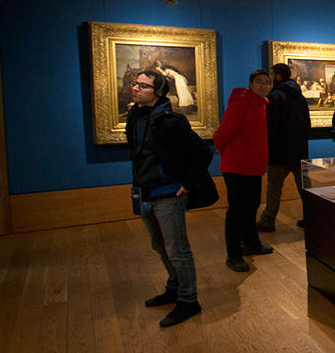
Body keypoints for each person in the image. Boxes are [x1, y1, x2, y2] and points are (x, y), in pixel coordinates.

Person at [127, 70, 203, 327]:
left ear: (157, 92)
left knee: (177, 249)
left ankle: (188, 300)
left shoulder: (171, 120)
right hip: (146, 191)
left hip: (168, 192)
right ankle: (174, 287)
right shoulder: (135, 116)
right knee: (159, 246)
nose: (135, 88)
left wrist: (188, 184)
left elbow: (202, 153)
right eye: (135, 84)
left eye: (143, 86)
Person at [214, 70, 273, 273]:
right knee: (237, 210)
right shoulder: (240, 102)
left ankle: (252, 244)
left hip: (254, 167)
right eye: (259, 82)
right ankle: (233, 254)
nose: (263, 85)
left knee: (252, 206)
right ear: (250, 83)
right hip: (238, 166)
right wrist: (231, 155)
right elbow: (222, 134)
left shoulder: (261, 104)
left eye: (267, 82)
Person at [256, 63, 311, 232]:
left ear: (277, 76)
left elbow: (270, 127)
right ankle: (313, 217)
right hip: (299, 149)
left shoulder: (275, 97)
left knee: (274, 188)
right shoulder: (300, 97)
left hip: (279, 151)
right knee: (305, 189)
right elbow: (307, 124)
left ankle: (268, 220)